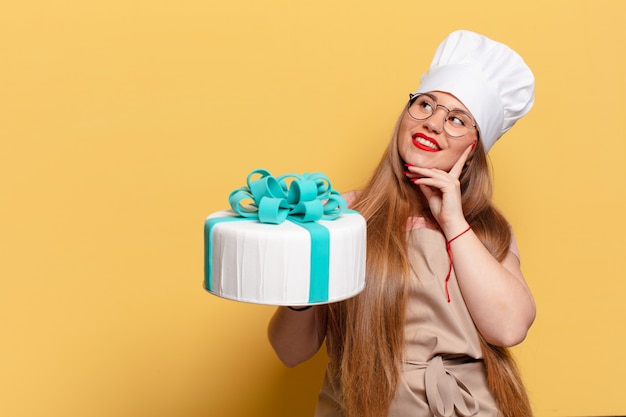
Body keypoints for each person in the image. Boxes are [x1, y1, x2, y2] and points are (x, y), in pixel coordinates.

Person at [268, 30, 536, 417]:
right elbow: (289, 352)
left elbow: (510, 328)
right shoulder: (342, 216)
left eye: (457, 119)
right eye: (425, 105)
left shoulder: (485, 229)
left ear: (473, 149)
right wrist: (299, 287)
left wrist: (453, 221)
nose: (434, 123)